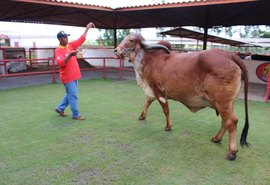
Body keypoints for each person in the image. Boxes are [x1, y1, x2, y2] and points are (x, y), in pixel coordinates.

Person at [54, 22, 95, 120]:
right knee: (73, 95)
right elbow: (61, 63)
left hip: (74, 75)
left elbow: (80, 40)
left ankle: (60, 108)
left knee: (70, 94)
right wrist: (70, 55)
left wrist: (87, 29)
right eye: (64, 37)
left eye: (67, 37)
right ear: (60, 39)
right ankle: (76, 114)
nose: (66, 39)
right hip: (68, 77)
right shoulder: (58, 50)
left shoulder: (70, 45)